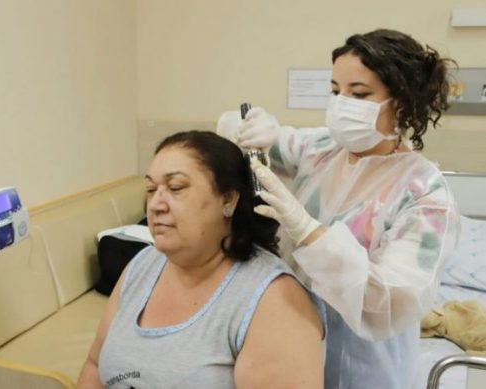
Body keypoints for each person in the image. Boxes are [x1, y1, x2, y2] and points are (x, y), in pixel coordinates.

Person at [217, 29, 460, 389]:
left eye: (358, 93)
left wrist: (307, 231)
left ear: (403, 103)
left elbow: (387, 301)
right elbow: (246, 134)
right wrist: (250, 127)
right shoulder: (323, 149)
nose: (341, 103)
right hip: (289, 343)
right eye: (335, 91)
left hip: (363, 366)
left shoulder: (424, 194)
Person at [77, 130, 325, 388]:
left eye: (176, 188)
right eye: (151, 189)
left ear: (228, 200)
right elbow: (94, 366)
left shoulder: (273, 300)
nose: (155, 205)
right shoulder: (142, 265)